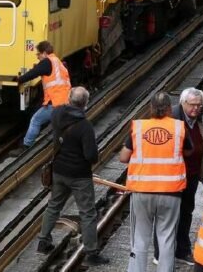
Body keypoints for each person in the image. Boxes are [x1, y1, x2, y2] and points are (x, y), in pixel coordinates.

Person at [36, 87, 109, 265]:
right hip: (79, 176)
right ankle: (91, 253)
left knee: (53, 206)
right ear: (85, 103)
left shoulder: (57, 114)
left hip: (59, 171)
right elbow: (91, 155)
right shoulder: (85, 126)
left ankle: (43, 241)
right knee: (87, 212)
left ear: (69, 98)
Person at [120, 92, 192, 272]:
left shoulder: (139, 127)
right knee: (167, 238)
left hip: (142, 191)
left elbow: (123, 157)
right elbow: (189, 152)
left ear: (150, 108)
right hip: (171, 192)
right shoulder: (179, 128)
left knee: (140, 238)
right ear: (170, 109)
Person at [153, 87, 203, 266]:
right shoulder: (173, 119)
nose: (196, 109)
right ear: (183, 103)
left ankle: (182, 250)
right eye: (193, 105)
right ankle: (160, 253)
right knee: (167, 215)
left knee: (186, 212)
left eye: (199, 105)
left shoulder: (197, 118)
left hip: (190, 176)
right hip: (172, 177)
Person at [13, 41, 71, 154]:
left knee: (36, 120)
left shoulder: (47, 62)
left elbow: (33, 73)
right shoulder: (57, 61)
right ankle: (63, 144)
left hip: (55, 103)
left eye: (38, 54)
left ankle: (26, 146)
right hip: (65, 101)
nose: (38, 57)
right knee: (59, 126)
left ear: (44, 53)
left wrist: (19, 80)